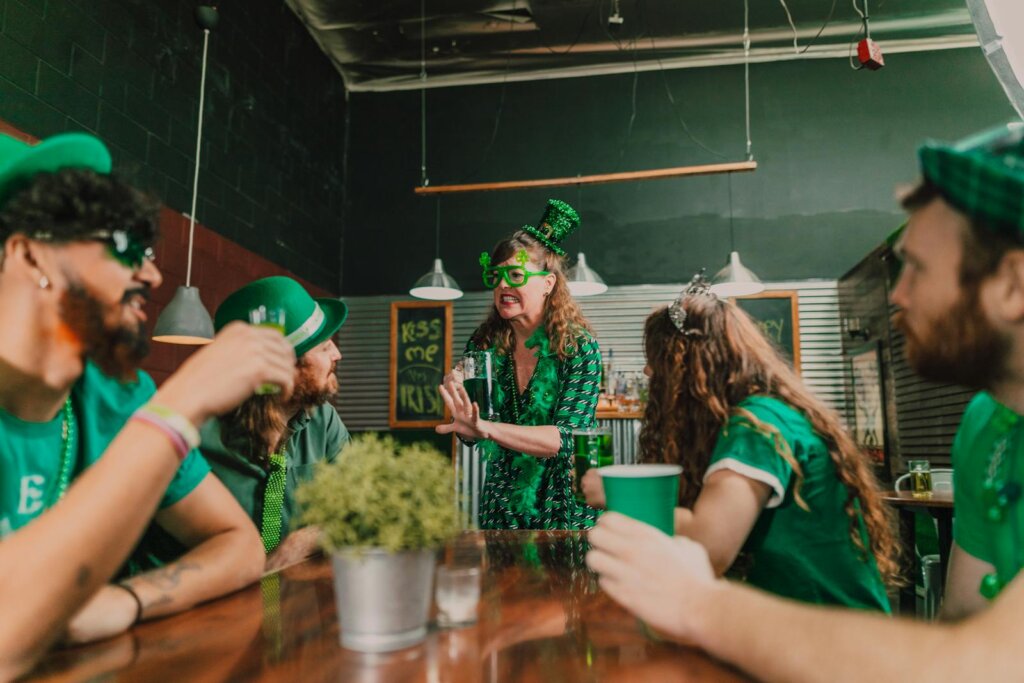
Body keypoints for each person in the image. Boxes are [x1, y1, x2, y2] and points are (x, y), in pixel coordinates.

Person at [586, 122, 1024, 682]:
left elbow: (987, 664)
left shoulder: (760, 422)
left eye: (917, 266)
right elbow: (963, 624)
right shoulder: (986, 425)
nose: (897, 294)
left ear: (1011, 284)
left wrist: (696, 604)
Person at [0, 131, 297, 679]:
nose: (153, 275)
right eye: (124, 245)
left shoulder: (112, 395)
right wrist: (181, 404)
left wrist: (130, 600)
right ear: (28, 253)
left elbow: (239, 544)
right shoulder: (151, 407)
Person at [582, 274, 899, 609]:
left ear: (684, 365)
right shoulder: (764, 415)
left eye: (654, 360)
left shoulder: (757, 426)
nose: (648, 373)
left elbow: (710, 547)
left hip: (831, 638)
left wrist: (619, 495)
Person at [437, 200, 602, 529]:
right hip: (504, 501)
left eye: (514, 274)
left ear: (548, 284)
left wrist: (487, 429)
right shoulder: (483, 346)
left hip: (567, 500)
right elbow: (473, 435)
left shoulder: (579, 347)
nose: (502, 285)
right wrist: (461, 407)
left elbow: (565, 439)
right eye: (496, 277)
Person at [199, 276, 350, 572]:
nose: (337, 355)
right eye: (324, 347)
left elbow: (357, 510)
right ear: (282, 366)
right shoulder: (199, 436)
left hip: (299, 603)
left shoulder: (323, 420)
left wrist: (305, 540)